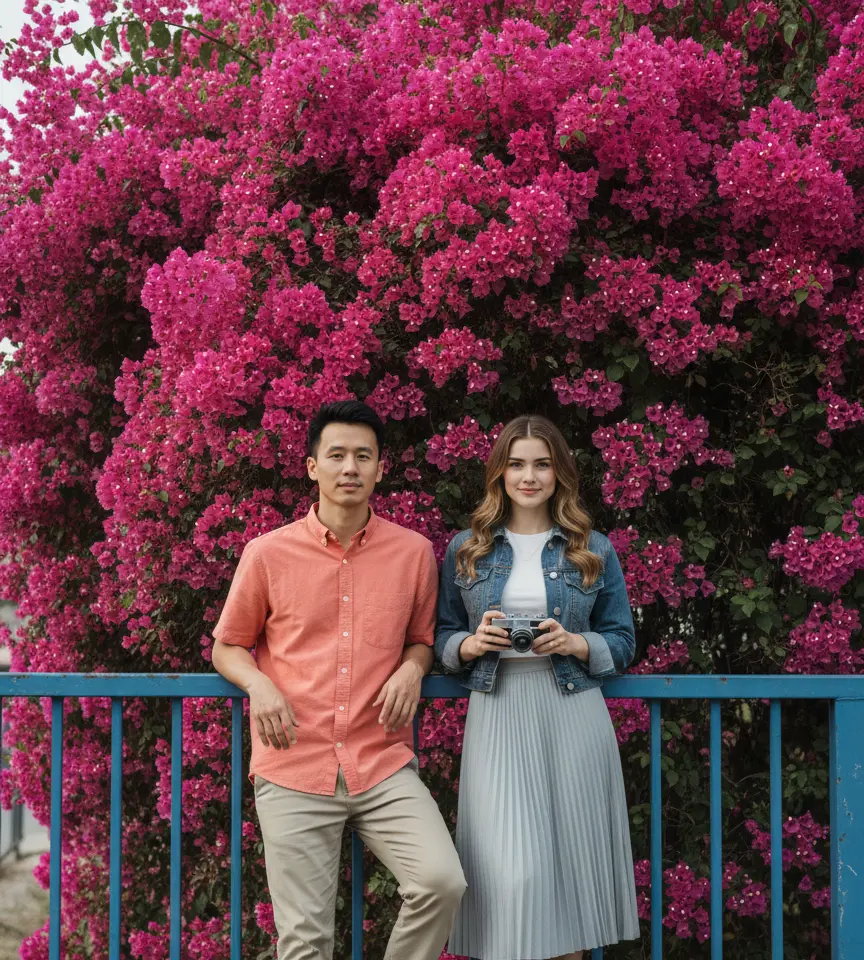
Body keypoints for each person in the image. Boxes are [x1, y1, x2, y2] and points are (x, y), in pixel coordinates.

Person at [211, 400, 466, 960]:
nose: (349, 467)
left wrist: (414, 667)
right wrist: (260, 684)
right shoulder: (267, 554)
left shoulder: (414, 553)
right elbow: (227, 645)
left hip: (382, 761)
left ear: (380, 468)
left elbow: (424, 638)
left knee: (442, 882)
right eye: (337, 455)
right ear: (312, 467)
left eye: (363, 456)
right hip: (293, 763)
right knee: (304, 942)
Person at [435, 414, 640, 960]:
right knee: (511, 876)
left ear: (559, 473)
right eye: (518, 463)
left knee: (564, 881)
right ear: (500, 473)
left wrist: (575, 644)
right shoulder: (468, 548)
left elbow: (621, 639)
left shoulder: (591, 546)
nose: (529, 476)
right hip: (498, 714)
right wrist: (470, 646)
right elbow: (443, 635)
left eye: (542, 464)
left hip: (571, 713)